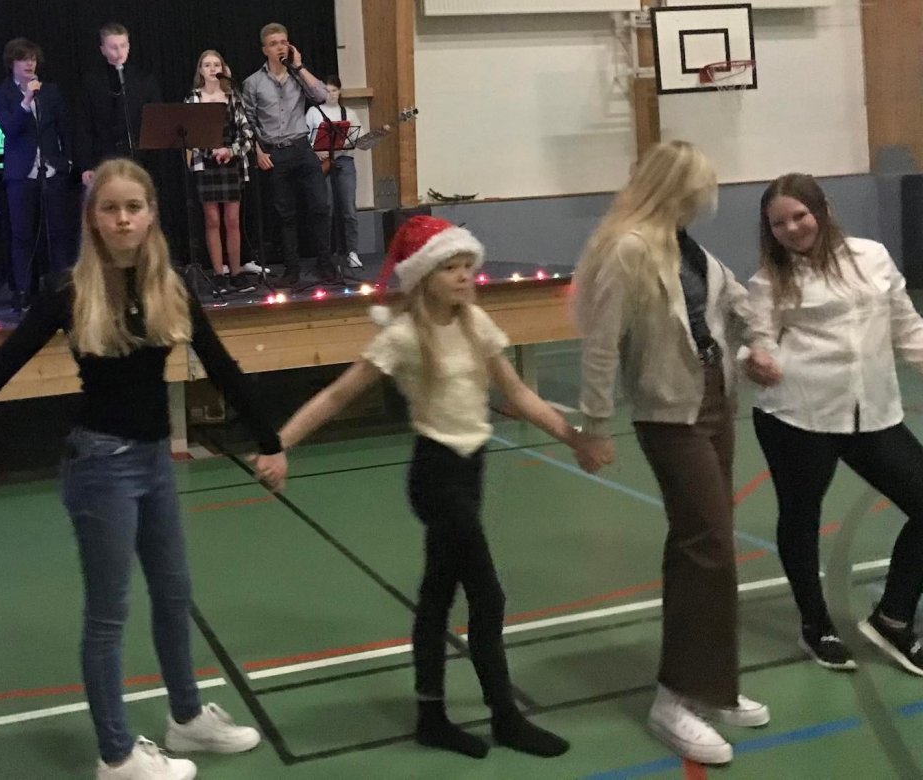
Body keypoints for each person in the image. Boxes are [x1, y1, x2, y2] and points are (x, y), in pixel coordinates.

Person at [0, 158, 287, 780]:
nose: (123, 218)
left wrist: (270, 440)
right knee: (108, 614)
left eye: (134, 207)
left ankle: (187, 717)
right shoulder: (70, 291)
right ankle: (116, 754)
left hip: (155, 462)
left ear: (151, 214)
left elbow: (220, 365)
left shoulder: (171, 287)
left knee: (174, 593)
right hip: (101, 467)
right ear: (94, 220)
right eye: (111, 208)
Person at [267, 215, 572, 760]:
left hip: (472, 469)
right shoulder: (404, 336)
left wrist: (574, 437)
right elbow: (338, 395)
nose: (464, 276)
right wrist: (280, 443)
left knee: (438, 594)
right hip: (436, 475)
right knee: (488, 594)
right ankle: (505, 716)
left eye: (467, 266)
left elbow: (518, 394)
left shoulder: (476, 324)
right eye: (451, 268)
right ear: (424, 276)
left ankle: (431, 715)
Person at [571, 140, 780, 766]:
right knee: (707, 544)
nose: (705, 199)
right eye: (698, 188)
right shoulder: (629, 248)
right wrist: (594, 424)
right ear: (674, 187)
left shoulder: (687, 247)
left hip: (714, 402)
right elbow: (601, 343)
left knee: (707, 544)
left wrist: (758, 345)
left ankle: (713, 686)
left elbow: (735, 303)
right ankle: (675, 697)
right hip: (669, 414)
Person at [747, 172, 923, 677]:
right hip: (797, 417)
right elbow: (758, 340)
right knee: (801, 519)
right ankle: (816, 625)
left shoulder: (872, 257)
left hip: (873, 414)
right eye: (778, 224)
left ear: (821, 209)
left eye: (799, 216)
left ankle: (892, 619)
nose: (791, 229)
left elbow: (907, 327)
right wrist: (755, 358)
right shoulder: (769, 281)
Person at [241, 22, 334, 289]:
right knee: (286, 214)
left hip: (301, 148)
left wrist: (299, 66)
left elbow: (321, 95)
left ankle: (326, 264)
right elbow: (247, 120)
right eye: (274, 44)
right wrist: (258, 150)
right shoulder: (253, 82)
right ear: (264, 50)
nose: (280, 47)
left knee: (320, 206)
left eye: (283, 42)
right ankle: (292, 270)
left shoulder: (297, 75)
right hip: (275, 152)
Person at [0, 37, 74, 312]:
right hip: (20, 174)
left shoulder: (51, 91)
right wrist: (26, 100)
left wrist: (67, 161)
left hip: (51, 170)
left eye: (33, 59)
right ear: (11, 63)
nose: (29, 64)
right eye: (23, 59)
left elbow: (64, 128)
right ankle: (24, 290)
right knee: (22, 235)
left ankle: (62, 289)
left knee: (58, 233)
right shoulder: (0, 93)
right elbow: (10, 129)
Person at [185, 50, 262, 296]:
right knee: (212, 220)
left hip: (231, 162)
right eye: (207, 65)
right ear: (200, 70)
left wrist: (230, 151)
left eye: (216, 65)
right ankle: (219, 274)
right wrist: (212, 152)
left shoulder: (232, 97)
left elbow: (246, 132)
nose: (212, 69)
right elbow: (191, 136)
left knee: (232, 220)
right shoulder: (193, 100)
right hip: (206, 164)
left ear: (223, 69)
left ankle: (236, 272)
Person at [77, 22, 162, 188]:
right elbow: (83, 126)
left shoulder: (144, 81)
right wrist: (85, 165)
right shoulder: (92, 82)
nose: (119, 52)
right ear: (103, 50)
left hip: (140, 160)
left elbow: (156, 123)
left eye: (123, 46)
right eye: (113, 47)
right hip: (104, 159)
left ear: (129, 46)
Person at [305, 74, 362, 269]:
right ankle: (326, 254)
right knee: (326, 208)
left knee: (349, 208)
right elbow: (305, 138)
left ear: (340, 91)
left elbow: (359, 138)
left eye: (334, 90)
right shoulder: (313, 112)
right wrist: (316, 151)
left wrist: (351, 141)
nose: (331, 94)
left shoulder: (349, 113)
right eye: (327, 91)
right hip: (322, 163)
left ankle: (352, 252)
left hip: (344, 161)